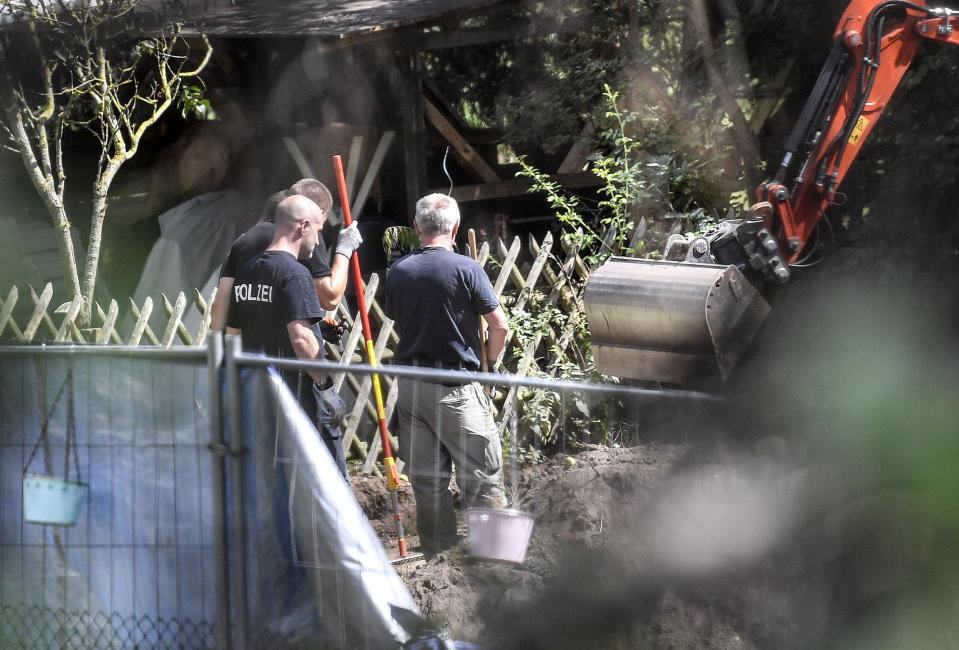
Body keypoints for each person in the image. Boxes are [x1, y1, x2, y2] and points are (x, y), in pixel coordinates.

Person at [384, 193, 510, 559]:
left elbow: (400, 318)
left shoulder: (399, 272)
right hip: (458, 388)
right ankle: (493, 557)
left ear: (417, 228)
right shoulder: (467, 269)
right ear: (455, 228)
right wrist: (491, 361)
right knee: (482, 476)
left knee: (428, 482)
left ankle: (439, 558)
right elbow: (499, 327)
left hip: (411, 390)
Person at [226, 194, 360, 479]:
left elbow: (239, 331)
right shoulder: (295, 274)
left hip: (263, 395)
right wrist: (327, 390)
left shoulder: (248, 271)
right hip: (300, 395)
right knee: (329, 481)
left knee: (281, 479)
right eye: (319, 231)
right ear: (303, 227)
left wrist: (316, 328)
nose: (318, 240)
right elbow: (300, 340)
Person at [210, 178, 360, 331]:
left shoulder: (243, 242)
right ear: (317, 214)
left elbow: (221, 303)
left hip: (240, 348)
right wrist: (344, 249)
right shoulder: (301, 239)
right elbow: (330, 298)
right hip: (282, 352)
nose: (317, 240)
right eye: (320, 226)